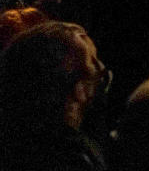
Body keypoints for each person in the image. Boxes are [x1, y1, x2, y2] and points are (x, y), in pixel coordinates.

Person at [0, 22, 109, 171]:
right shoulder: (75, 159)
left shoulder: (12, 144)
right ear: (79, 90)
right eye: (93, 65)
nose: (101, 69)